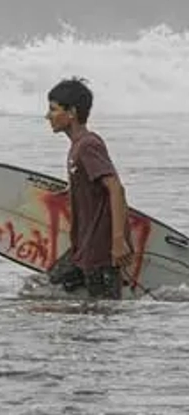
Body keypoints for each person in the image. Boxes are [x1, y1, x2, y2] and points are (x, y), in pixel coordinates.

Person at [44, 77, 133, 299]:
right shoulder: (77, 146)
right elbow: (94, 183)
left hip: (101, 251)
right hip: (83, 248)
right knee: (44, 287)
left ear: (72, 112)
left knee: (104, 314)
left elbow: (116, 189)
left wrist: (118, 241)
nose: (48, 116)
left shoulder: (88, 145)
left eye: (53, 109)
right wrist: (72, 190)